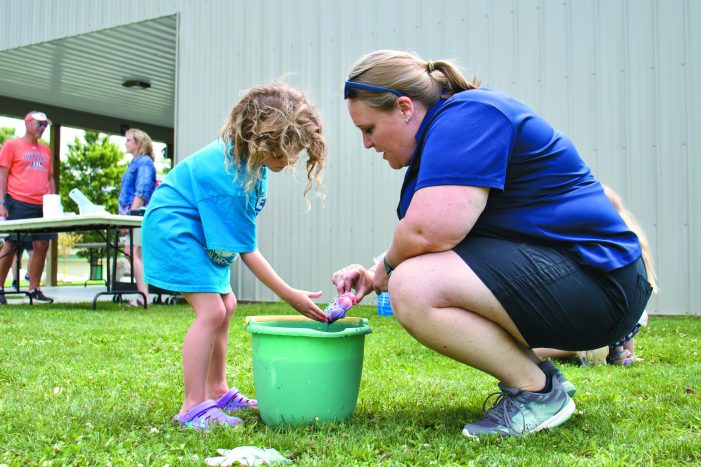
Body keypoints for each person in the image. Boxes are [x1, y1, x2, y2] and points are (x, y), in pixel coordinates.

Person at [332, 50, 653, 438]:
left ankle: (538, 393)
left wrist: (385, 272)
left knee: (414, 285)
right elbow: (432, 236)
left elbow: (428, 232)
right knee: (414, 275)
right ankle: (540, 378)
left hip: (601, 283)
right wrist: (373, 274)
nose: (367, 144)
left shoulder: (466, 117)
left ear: (404, 107)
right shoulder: (453, 124)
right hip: (586, 278)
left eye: (368, 129)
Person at [142, 82, 327, 430]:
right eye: (285, 152)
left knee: (226, 306)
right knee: (211, 311)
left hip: (196, 228)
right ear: (260, 142)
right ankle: (193, 406)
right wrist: (289, 295)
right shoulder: (229, 177)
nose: (290, 160)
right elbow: (248, 251)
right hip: (175, 231)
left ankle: (217, 389)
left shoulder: (250, 164)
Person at [534, 185, 658, 368]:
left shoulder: (586, 238)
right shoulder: (631, 238)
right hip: (625, 324)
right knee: (630, 308)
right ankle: (620, 353)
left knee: (533, 348)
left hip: (590, 319)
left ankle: (583, 348)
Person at [0, 111, 57, 304]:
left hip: (42, 205)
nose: (42, 128)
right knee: (12, 244)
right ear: (27, 123)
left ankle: (34, 289)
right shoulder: (11, 145)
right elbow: (3, 176)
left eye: (45, 125)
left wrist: (53, 202)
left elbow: (50, 178)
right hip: (18, 201)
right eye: (39, 124)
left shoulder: (46, 150)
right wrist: (1, 203)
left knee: (42, 245)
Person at [118, 128, 157, 306]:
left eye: (128, 140)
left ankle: (144, 297)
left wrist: (130, 215)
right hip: (133, 214)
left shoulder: (144, 163)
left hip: (138, 215)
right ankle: (143, 295)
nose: (125, 143)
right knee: (131, 252)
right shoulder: (136, 162)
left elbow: (141, 192)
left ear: (138, 143)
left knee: (136, 253)